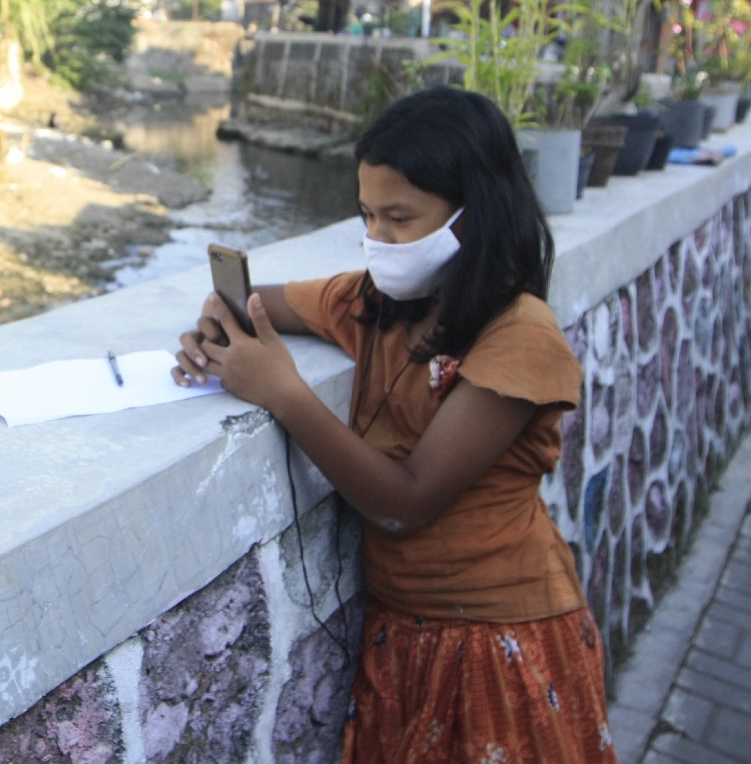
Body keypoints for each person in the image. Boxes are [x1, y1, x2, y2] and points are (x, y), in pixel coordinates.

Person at [171, 85, 616, 764]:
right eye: (367, 216)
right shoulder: (373, 302)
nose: (378, 239)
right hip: (401, 634)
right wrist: (221, 323)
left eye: (400, 220)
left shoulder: (518, 336)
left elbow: (405, 504)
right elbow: (259, 300)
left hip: (494, 639)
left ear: (474, 216)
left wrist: (284, 392)